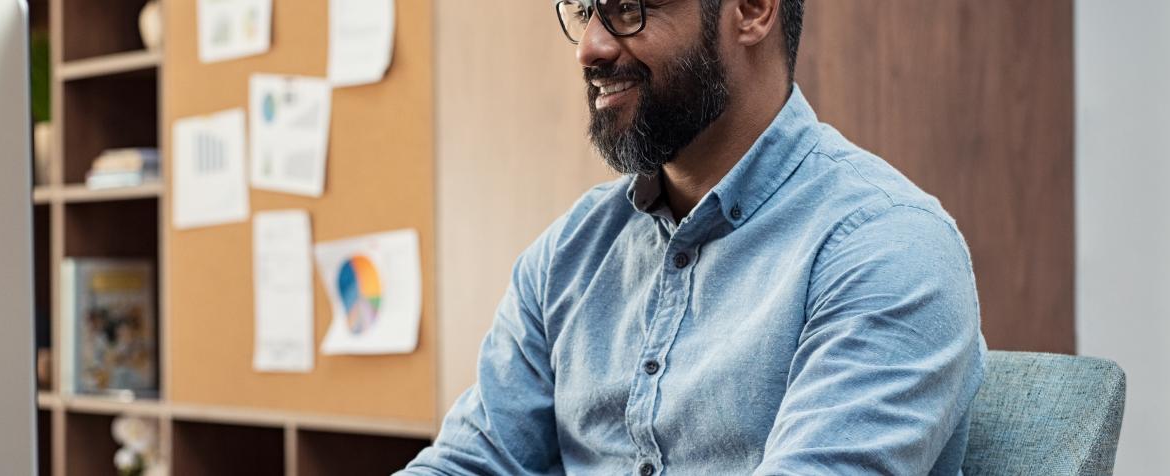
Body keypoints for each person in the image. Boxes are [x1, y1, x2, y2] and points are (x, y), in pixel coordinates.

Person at [402, 0, 986, 474]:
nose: (590, 48)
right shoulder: (568, 255)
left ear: (754, 11)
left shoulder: (887, 248)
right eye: (583, 10)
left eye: (627, 9)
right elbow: (467, 463)